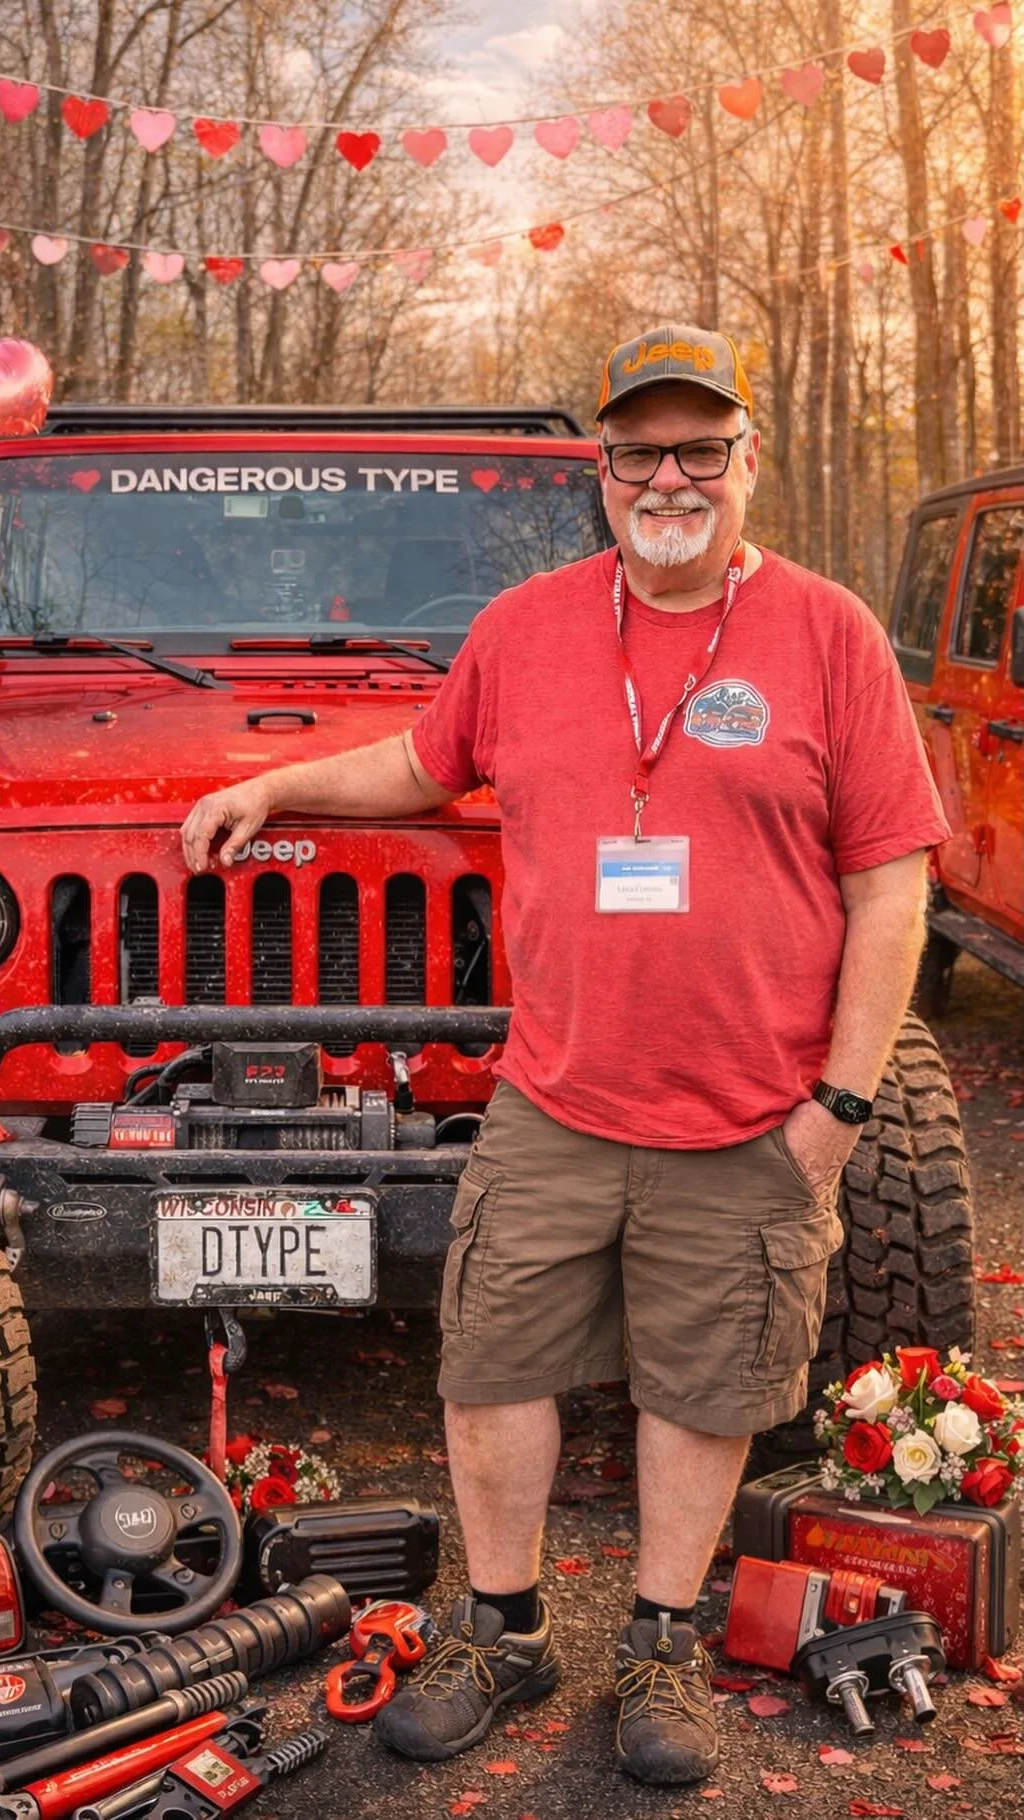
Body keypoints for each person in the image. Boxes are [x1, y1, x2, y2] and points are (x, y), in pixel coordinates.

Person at [179, 325, 949, 1786]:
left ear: (746, 460)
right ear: (602, 471)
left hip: (752, 1110)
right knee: (490, 1367)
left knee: (702, 1391)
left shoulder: (828, 633)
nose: (670, 479)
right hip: (555, 1098)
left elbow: (890, 885)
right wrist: (276, 780)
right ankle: (508, 1631)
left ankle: (658, 1648)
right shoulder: (527, 626)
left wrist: (838, 1109)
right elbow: (423, 766)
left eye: (700, 449)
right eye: (640, 453)